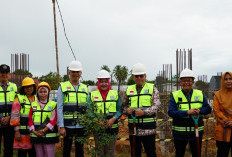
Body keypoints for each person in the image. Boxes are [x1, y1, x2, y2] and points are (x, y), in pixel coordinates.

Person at [168, 68, 211, 157]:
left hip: (196, 131)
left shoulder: (199, 94)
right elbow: (171, 112)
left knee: (196, 154)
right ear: (180, 82)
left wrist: (200, 111)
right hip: (180, 132)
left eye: (189, 80)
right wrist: (187, 112)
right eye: (184, 80)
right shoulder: (175, 95)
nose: (186, 83)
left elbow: (208, 108)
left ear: (193, 82)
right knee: (179, 154)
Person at [123, 63, 161, 157]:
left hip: (149, 129)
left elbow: (157, 105)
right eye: (136, 76)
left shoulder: (152, 89)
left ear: (145, 76)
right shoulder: (128, 89)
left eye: (141, 76)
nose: (139, 78)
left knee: (151, 153)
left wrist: (144, 112)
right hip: (134, 129)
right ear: (133, 77)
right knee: (135, 153)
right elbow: (123, 106)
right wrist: (127, 110)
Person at [57, 61, 88, 157]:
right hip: (67, 125)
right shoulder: (62, 87)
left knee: (80, 150)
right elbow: (59, 107)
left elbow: (88, 107)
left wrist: (87, 124)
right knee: (66, 149)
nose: (75, 74)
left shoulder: (85, 88)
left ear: (81, 73)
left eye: (77, 72)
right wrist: (61, 126)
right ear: (69, 73)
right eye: (73, 71)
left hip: (81, 125)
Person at [88, 70, 122, 157]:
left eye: (105, 81)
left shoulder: (115, 94)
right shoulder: (92, 95)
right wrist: (96, 120)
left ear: (108, 82)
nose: (103, 84)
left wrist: (113, 119)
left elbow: (120, 109)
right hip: (98, 129)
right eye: (101, 82)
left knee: (110, 152)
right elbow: (89, 110)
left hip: (112, 129)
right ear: (98, 83)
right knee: (100, 152)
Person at [28, 82, 58, 157]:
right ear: (38, 93)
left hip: (49, 135)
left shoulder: (53, 104)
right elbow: (30, 119)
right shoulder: (33, 104)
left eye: (45, 92)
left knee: (49, 155)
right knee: (39, 155)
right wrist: (33, 131)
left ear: (48, 93)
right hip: (36, 135)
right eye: (41, 92)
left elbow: (54, 119)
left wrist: (45, 129)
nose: (43, 94)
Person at [10, 77, 36, 157]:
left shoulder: (37, 99)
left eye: (30, 86)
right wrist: (17, 131)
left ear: (33, 87)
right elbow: (15, 115)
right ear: (23, 88)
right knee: (22, 154)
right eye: (26, 87)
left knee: (34, 153)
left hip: (34, 133)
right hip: (22, 133)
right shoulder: (19, 98)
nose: (28, 88)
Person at [213, 72, 232, 157]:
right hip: (222, 129)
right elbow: (216, 111)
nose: (228, 81)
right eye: (226, 79)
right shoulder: (217, 95)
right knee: (222, 153)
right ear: (222, 81)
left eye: (230, 79)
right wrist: (228, 121)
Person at [0, 64, 17, 157]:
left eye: (6, 72)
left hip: (10, 121)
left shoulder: (14, 87)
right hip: (0, 120)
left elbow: (16, 105)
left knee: (9, 147)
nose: (4, 74)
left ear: (9, 74)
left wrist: (9, 117)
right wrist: (2, 118)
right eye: (2, 72)